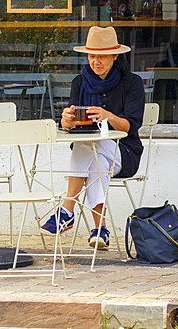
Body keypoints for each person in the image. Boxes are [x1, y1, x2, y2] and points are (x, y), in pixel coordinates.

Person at [40, 26, 145, 249]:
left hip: (123, 153)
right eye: (92, 55)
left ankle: (67, 209)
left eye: (101, 56)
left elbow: (132, 126)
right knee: (95, 156)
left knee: (90, 146)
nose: (95, 61)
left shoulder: (132, 83)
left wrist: (108, 116)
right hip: (94, 155)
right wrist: (66, 120)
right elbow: (70, 125)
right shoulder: (80, 82)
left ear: (115, 56)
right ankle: (100, 230)